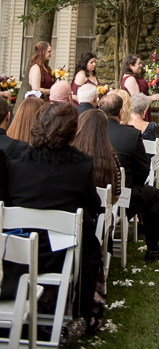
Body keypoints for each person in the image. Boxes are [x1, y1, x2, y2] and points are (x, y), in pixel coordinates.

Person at [6, 103, 102, 328]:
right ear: (72, 131)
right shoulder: (82, 167)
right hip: (62, 254)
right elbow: (94, 207)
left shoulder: (15, 167)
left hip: (18, 256)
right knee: (91, 242)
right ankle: (81, 308)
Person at [101, 92, 159, 261]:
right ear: (120, 112)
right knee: (153, 195)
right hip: (123, 194)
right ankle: (153, 248)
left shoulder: (90, 133)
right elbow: (143, 169)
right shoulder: (130, 134)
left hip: (96, 194)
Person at [73, 108, 121, 198]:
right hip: (101, 207)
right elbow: (116, 195)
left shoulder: (70, 151)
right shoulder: (110, 154)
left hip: (75, 206)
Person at [120, 55, 159, 122]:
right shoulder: (130, 79)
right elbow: (137, 98)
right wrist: (152, 98)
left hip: (142, 110)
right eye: (138, 63)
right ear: (131, 66)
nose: (141, 65)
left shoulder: (135, 76)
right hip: (137, 113)